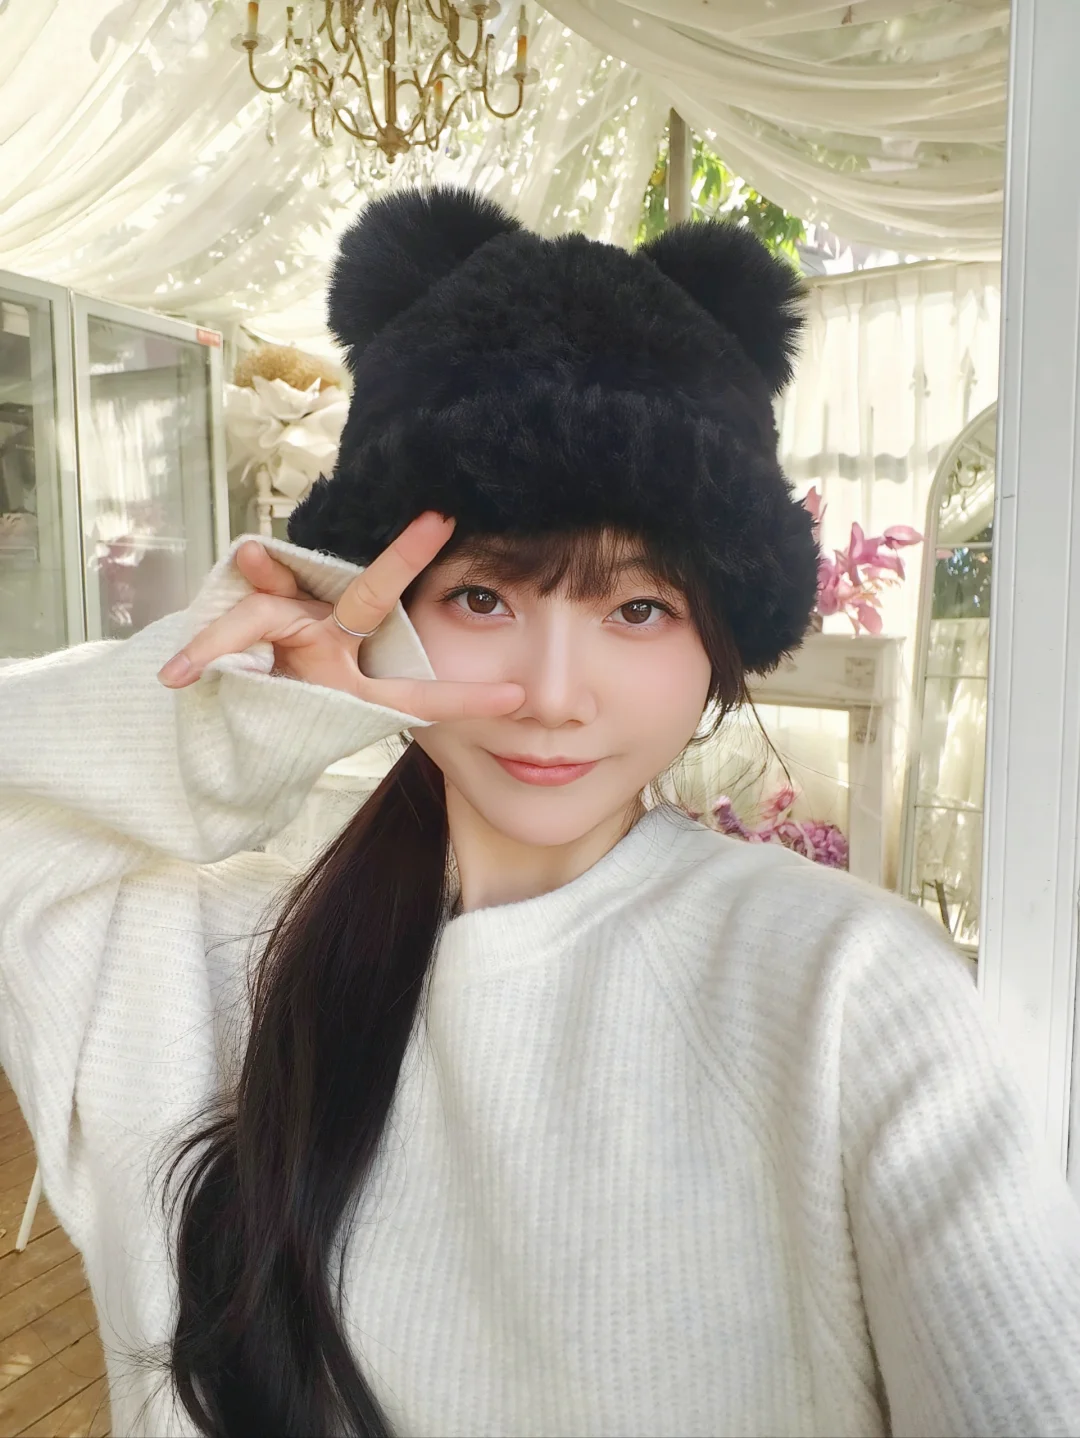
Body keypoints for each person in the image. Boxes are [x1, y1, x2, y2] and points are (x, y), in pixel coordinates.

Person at [1, 187, 1079, 1438]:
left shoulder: (852, 993)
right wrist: (223, 711)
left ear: (722, 637)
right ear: (376, 599)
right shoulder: (206, 965)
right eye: (482, 598)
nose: (556, 696)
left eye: (639, 609)